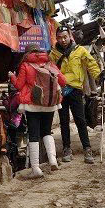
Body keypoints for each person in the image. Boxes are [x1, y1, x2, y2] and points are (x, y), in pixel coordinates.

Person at [9, 45, 67, 178]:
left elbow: (18, 85)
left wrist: (12, 76)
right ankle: (52, 160)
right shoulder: (49, 62)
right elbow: (63, 81)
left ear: (27, 53)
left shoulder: (25, 65)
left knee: (34, 134)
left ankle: (36, 168)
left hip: (32, 104)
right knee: (47, 131)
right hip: (49, 104)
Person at [50, 26, 103, 164]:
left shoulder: (80, 50)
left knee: (81, 120)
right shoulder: (53, 54)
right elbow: (49, 70)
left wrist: (98, 75)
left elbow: (91, 63)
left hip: (75, 90)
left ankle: (87, 148)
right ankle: (67, 149)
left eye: (65, 37)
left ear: (70, 36)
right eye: (60, 37)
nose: (62, 40)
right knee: (63, 121)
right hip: (60, 91)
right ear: (57, 38)